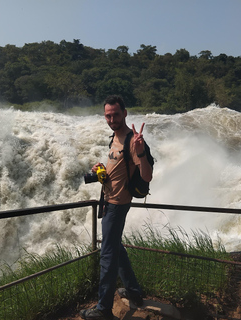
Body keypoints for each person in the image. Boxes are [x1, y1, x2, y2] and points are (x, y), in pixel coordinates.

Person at [80, 95, 153, 320]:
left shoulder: (133, 141)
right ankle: (134, 292)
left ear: (125, 113)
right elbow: (118, 168)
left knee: (107, 255)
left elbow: (147, 176)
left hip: (117, 205)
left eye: (116, 114)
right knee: (116, 250)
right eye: (108, 115)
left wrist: (140, 151)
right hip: (108, 201)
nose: (112, 119)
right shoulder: (115, 138)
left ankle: (103, 309)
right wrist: (101, 170)